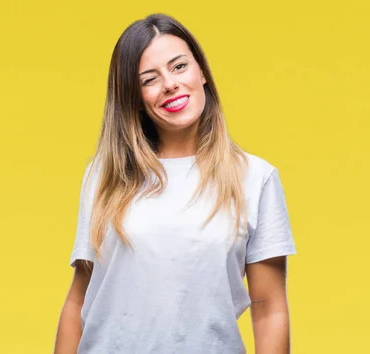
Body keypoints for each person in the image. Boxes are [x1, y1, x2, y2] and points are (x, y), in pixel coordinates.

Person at [53, 13, 297, 354]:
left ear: (202, 73)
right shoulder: (105, 176)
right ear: (134, 99)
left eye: (179, 66)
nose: (170, 84)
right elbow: (79, 300)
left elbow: (269, 308)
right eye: (149, 79)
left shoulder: (255, 179)